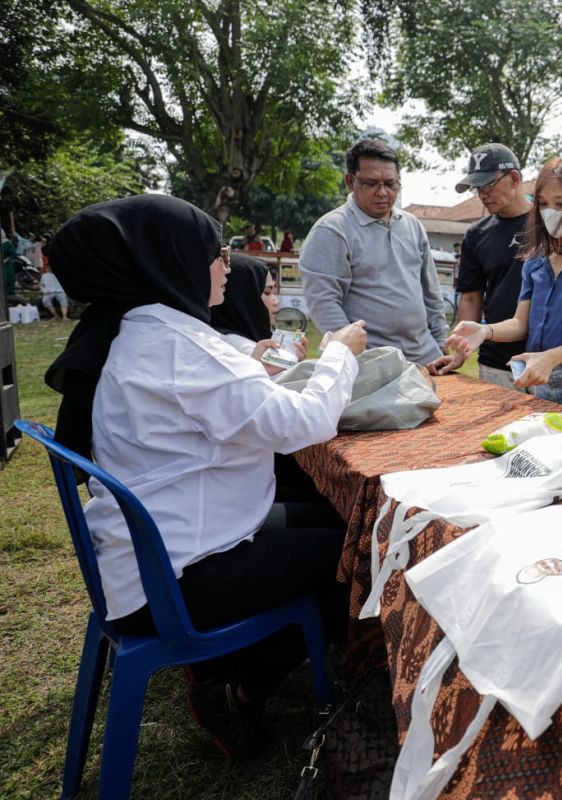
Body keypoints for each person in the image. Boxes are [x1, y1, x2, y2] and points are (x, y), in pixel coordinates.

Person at [43, 194, 368, 760]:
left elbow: (223, 359)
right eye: (217, 252)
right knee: (362, 553)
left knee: (339, 519)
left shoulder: (145, 329)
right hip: (179, 576)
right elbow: (305, 422)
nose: (226, 265)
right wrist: (339, 353)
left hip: (161, 553)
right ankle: (241, 688)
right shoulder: (173, 347)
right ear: (172, 259)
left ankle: (233, 668)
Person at [445, 156, 562, 412]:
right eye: (542, 204)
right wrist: (486, 331)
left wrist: (553, 356)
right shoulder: (535, 259)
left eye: (561, 203)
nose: (550, 211)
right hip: (544, 385)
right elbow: (521, 323)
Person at [301, 137, 451, 368]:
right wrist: (355, 357)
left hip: (426, 355)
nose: (383, 192)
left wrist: (440, 339)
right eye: (371, 183)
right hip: (372, 361)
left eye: (391, 184)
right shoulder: (332, 230)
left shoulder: (412, 225)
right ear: (350, 181)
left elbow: (430, 291)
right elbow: (324, 303)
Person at [433, 143, 530, 388]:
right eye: (477, 188)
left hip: (547, 356)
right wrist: (461, 347)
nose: (482, 194)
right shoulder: (476, 234)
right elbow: (471, 297)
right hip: (496, 360)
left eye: (489, 185)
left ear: (514, 178)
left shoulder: (549, 225)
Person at [210, 253, 306, 373]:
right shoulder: (246, 349)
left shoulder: (213, 336)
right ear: (244, 298)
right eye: (267, 292)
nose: (276, 301)